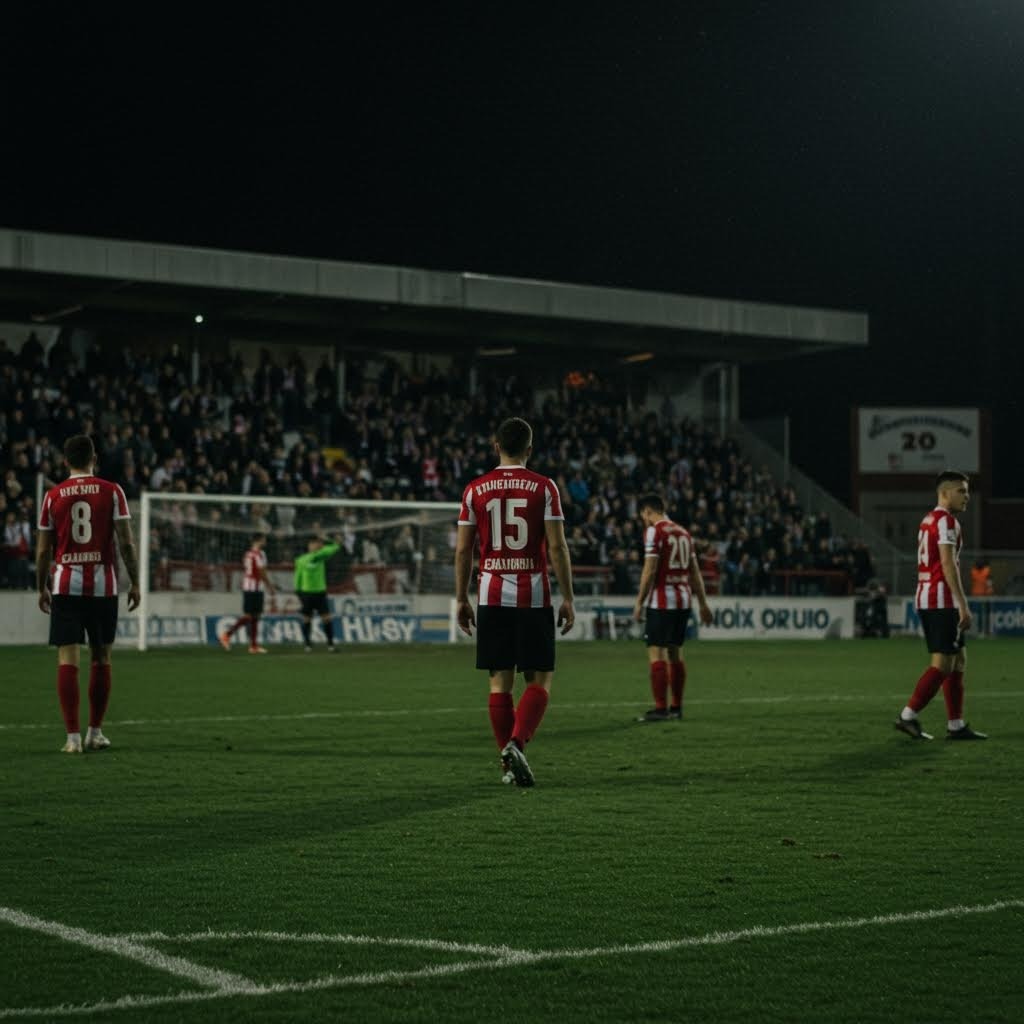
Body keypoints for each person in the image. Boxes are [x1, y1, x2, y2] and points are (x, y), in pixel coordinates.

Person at [454, 417, 575, 787]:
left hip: (491, 593)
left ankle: (507, 768)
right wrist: (568, 596)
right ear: (529, 449)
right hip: (533, 594)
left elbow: (463, 550)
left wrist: (461, 597)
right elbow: (556, 545)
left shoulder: (475, 489)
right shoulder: (545, 487)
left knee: (499, 685)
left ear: (496, 447)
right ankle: (517, 744)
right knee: (540, 678)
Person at [35, 434, 141, 753]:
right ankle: (95, 732)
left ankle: (72, 738)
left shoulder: (52, 496)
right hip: (102, 586)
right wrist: (135, 582)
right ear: (94, 458)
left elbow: (42, 551)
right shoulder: (113, 491)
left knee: (68, 657)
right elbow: (126, 543)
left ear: (65, 462)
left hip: (66, 585)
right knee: (101, 657)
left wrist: (41, 585)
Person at [895, 471, 987, 740]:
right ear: (944, 493)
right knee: (943, 664)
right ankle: (907, 716)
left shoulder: (929, 519)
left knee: (958, 661)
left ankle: (955, 725)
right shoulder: (945, 521)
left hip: (930, 596)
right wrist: (962, 604)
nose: (966, 496)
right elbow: (947, 564)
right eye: (961, 491)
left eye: (967, 490)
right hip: (941, 599)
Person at [633, 493, 713, 721]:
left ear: (648, 511)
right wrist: (703, 604)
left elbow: (649, 571)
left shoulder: (654, 532)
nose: (644, 521)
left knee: (656, 651)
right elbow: (695, 572)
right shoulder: (684, 533)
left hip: (662, 600)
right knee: (675, 652)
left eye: (643, 516)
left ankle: (660, 709)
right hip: (683, 600)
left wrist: (639, 601)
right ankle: (676, 708)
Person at [219, 534, 276, 653]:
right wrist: (269, 586)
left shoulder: (249, 554)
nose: (265, 542)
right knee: (249, 615)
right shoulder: (258, 554)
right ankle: (227, 635)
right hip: (252, 588)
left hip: (254, 587)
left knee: (255, 616)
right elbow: (261, 571)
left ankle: (253, 646)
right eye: (263, 539)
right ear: (259, 540)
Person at [293, 534, 340, 652]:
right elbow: (297, 576)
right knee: (306, 619)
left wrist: (326, 539)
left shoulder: (321, 555)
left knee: (327, 618)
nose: (316, 545)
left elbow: (335, 546)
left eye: (317, 544)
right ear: (309, 546)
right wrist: (298, 592)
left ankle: (330, 645)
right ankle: (308, 644)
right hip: (306, 593)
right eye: (313, 543)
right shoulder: (301, 560)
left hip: (320, 592)